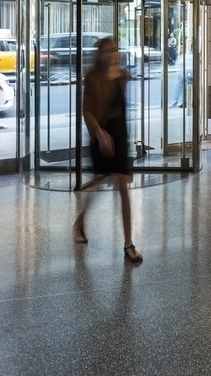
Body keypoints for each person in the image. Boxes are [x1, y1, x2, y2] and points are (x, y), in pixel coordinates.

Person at [73, 37, 143, 264]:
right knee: (98, 183)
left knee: (123, 187)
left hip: (120, 136)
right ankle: (80, 222)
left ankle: (128, 243)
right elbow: (87, 111)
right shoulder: (92, 77)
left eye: (115, 50)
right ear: (99, 55)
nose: (113, 54)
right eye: (108, 51)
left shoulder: (122, 75)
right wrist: (99, 134)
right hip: (101, 135)